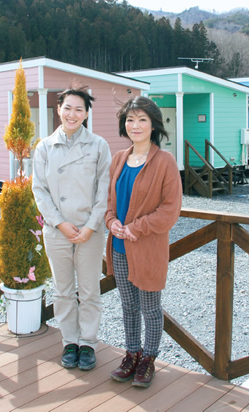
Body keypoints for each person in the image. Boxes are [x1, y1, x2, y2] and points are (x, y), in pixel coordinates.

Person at [105, 96, 182, 388]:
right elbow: (109, 203)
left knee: (150, 306)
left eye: (142, 120)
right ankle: (131, 353)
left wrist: (136, 227)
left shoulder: (165, 161)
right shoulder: (118, 159)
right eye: (130, 120)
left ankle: (149, 358)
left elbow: (170, 210)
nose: (135, 126)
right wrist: (111, 222)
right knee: (127, 304)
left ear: (153, 125)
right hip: (119, 247)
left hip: (147, 247)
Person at [32, 85, 111, 371]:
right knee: (63, 291)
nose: (72, 114)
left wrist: (91, 226)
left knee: (89, 290)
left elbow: (104, 190)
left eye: (79, 109)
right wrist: (60, 223)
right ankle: (69, 342)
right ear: (58, 110)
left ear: (87, 113)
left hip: (89, 231)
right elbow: (39, 191)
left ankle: (88, 343)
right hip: (58, 231)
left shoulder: (99, 145)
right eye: (68, 108)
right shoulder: (44, 147)